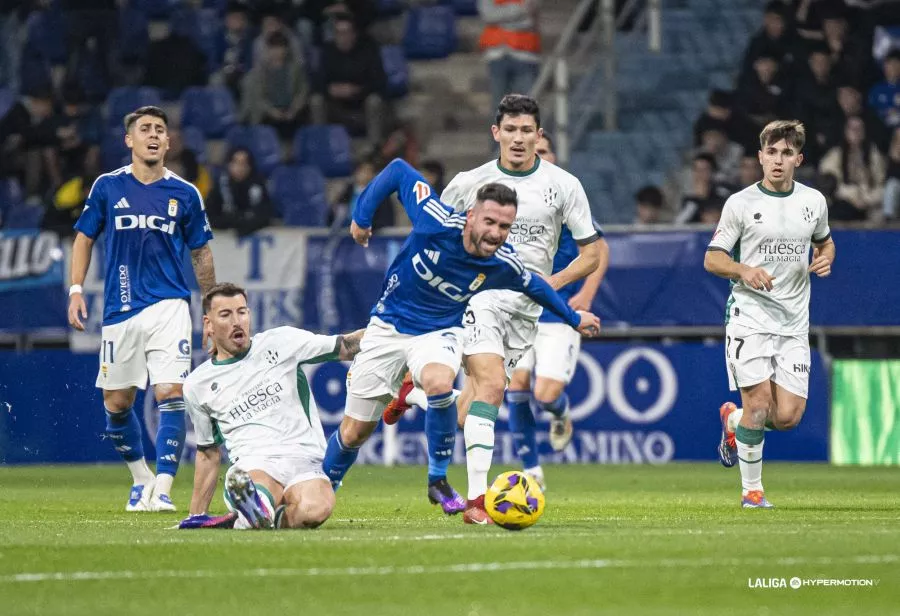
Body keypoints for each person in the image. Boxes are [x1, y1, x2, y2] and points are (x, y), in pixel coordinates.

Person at [320, 157, 600, 522]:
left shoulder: (504, 263)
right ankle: (323, 484)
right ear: (470, 216)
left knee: (442, 381)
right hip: (387, 327)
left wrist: (573, 318)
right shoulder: (435, 219)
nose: (497, 233)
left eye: (505, 226)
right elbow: (398, 170)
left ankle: (438, 479)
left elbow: (537, 288)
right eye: (490, 222)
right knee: (355, 431)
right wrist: (361, 216)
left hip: (440, 331)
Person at [381, 95, 601, 522]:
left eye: (527, 131)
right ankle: (478, 501)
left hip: (526, 310)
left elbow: (592, 254)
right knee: (494, 387)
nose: (519, 139)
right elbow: (435, 237)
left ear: (539, 136)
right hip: (477, 296)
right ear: (496, 133)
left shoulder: (564, 186)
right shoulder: (469, 183)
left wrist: (548, 285)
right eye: (511, 130)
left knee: (472, 407)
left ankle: (420, 396)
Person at [67, 106, 216, 512]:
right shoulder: (107, 187)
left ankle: (164, 488)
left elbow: (201, 252)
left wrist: (212, 305)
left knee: (171, 392)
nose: (153, 135)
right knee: (117, 403)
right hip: (120, 308)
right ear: (129, 140)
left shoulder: (185, 193)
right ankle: (141, 479)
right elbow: (83, 238)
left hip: (170, 304)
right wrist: (76, 290)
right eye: (145, 129)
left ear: (168, 142)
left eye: (160, 130)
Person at [704, 119, 835, 508]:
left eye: (786, 153)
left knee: (788, 417)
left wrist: (825, 259)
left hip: (794, 323)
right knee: (759, 405)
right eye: (771, 153)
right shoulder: (741, 204)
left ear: (799, 158)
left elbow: (826, 244)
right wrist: (744, 269)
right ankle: (752, 492)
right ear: (760, 157)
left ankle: (732, 420)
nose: (778, 160)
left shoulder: (814, 202)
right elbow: (713, 259)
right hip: (750, 316)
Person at [179, 283, 365, 530]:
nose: (237, 321)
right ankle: (255, 506)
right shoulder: (197, 384)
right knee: (256, 488)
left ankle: (253, 518)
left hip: (305, 459)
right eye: (226, 314)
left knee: (316, 509)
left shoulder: (281, 341)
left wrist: (392, 334)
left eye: (242, 311)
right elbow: (207, 452)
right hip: (254, 464)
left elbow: (345, 345)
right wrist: (196, 515)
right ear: (208, 324)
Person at [505, 132, 609, 488]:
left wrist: (586, 294)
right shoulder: (510, 196)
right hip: (517, 310)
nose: (540, 155)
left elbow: (600, 249)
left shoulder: (565, 193)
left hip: (557, 312)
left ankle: (560, 413)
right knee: (515, 385)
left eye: (545, 149)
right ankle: (531, 470)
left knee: (545, 394)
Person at [818, 115, 886, 219]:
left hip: (870, 201)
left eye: (859, 129)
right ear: (846, 131)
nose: (856, 132)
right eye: (852, 129)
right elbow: (830, 183)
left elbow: (881, 183)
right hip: (846, 201)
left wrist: (867, 199)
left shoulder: (873, 154)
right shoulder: (836, 154)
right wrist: (853, 195)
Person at [206, 147, 273, 236]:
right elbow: (208, 216)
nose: (240, 167)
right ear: (229, 165)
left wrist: (239, 222)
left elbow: (265, 215)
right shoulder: (220, 185)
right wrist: (235, 221)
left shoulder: (258, 185)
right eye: (236, 162)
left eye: (244, 163)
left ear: (250, 167)